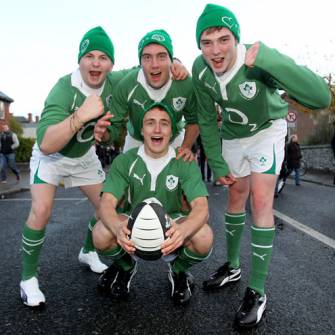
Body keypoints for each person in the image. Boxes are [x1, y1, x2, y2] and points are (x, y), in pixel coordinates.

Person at [192, 4, 331, 329]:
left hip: (267, 130)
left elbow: (320, 97)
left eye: (224, 39)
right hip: (233, 136)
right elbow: (205, 119)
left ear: (236, 38)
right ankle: (233, 266)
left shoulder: (256, 60)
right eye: (207, 42)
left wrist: (271, 60)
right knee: (235, 198)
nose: (215, 50)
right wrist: (213, 158)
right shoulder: (201, 70)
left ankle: (257, 291)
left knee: (261, 201)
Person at [92, 102, 213, 305]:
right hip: (133, 223)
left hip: (171, 224)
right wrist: (117, 227)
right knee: (101, 232)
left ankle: (178, 271)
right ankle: (125, 266)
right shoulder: (125, 160)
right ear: (142, 130)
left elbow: (201, 207)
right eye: (150, 123)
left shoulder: (184, 161)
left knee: (203, 236)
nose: (157, 129)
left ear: (172, 131)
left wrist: (183, 231)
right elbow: (106, 203)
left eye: (164, 123)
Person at [94, 29, 199, 161]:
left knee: (185, 175)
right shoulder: (126, 85)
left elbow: (194, 120)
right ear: (140, 62)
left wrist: (186, 147)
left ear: (170, 59)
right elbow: (113, 127)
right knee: (127, 178)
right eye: (147, 57)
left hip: (173, 138)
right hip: (137, 139)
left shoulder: (185, 83)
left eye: (161, 56)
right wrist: (104, 135)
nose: (154, 65)